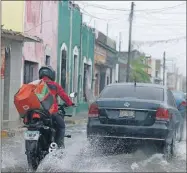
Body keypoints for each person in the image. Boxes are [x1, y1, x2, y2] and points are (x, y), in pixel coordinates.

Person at [39, 65, 74, 148]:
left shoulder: (36, 84)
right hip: (51, 112)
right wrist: (70, 103)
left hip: (37, 112)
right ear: (51, 75)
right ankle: (58, 145)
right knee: (62, 126)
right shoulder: (54, 85)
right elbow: (64, 96)